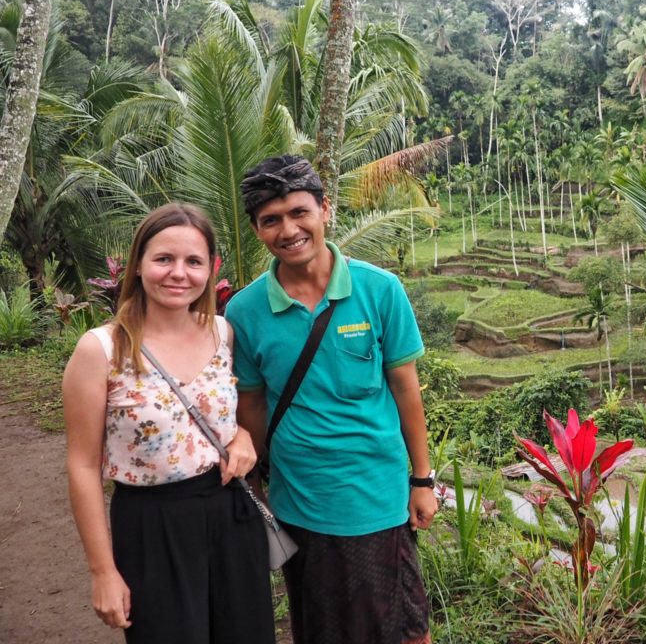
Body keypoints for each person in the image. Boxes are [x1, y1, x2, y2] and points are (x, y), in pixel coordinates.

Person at [226, 154, 437, 644]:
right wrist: (255, 490)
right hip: (301, 502)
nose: (288, 229)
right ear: (258, 230)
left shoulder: (380, 290)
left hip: (378, 497)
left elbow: (406, 391)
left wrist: (422, 479)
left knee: (405, 629)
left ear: (325, 209)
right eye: (271, 220)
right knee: (322, 628)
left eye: (299, 212)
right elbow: (252, 408)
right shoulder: (245, 310)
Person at [62, 203, 275, 644]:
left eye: (193, 262)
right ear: (139, 264)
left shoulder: (224, 334)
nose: (179, 273)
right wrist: (103, 572)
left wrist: (242, 438)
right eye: (164, 259)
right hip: (150, 525)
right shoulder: (101, 349)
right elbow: (82, 466)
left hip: (230, 513)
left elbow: (234, 413)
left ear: (210, 270)